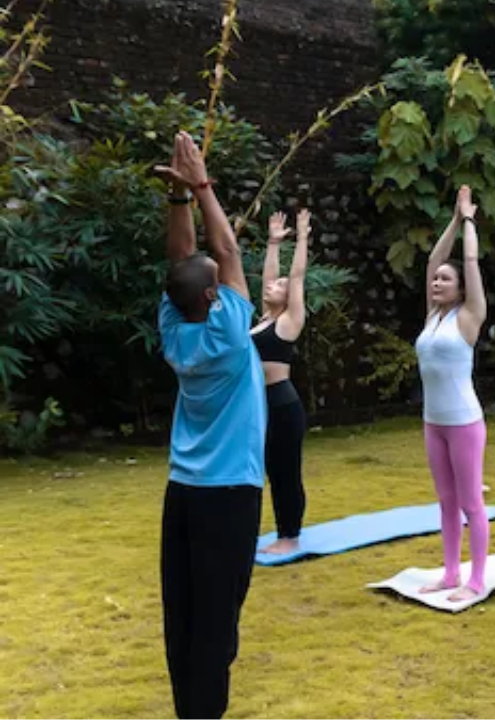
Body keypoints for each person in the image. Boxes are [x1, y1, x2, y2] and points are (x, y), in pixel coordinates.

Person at [154, 131, 266, 719]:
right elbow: (223, 251)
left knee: (185, 614)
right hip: (228, 495)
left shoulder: (177, 331)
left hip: (185, 494)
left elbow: (186, 265)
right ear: (216, 294)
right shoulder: (226, 337)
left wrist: (177, 202)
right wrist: (200, 185)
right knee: (217, 622)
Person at [414, 186, 490, 603]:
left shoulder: (468, 317)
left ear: (461, 289)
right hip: (433, 423)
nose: (438, 281)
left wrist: (470, 221)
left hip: (463, 423)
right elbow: (431, 260)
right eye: (437, 279)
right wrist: (453, 219)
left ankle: (475, 580)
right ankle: (449, 573)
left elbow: (472, 261)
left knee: (471, 503)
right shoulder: (433, 316)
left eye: (446, 279)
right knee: (445, 501)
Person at [254, 209, 311, 555]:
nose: (273, 286)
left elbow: (297, 276)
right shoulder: (262, 320)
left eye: (280, 286)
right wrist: (273, 243)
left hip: (282, 404)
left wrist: (302, 238)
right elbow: (268, 278)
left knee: (284, 472)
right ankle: (271, 530)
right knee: (260, 469)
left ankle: (289, 535)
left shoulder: (290, 321)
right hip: (256, 404)